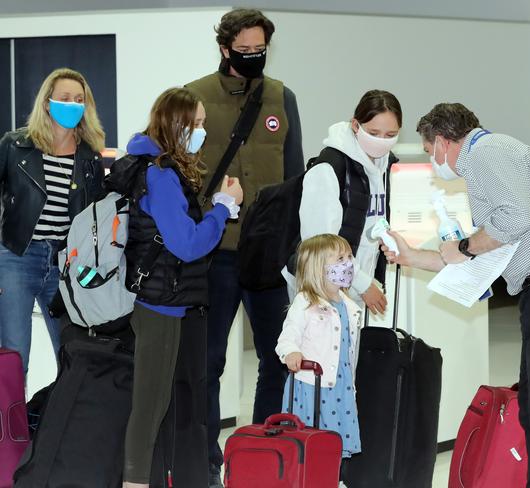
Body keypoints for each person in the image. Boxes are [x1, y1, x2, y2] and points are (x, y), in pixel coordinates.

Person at [382, 103, 530, 488]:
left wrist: (468, 246)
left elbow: (513, 219)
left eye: (426, 151)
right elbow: (487, 254)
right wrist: (413, 257)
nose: (432, 162)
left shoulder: (486, 151)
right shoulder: (488, 161)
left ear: (441, 142)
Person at [185, 9, 304, 485]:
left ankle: (261, 447)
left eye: (261, 50)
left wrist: (295, 246)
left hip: (269, 255)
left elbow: (294, 173)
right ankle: (207, 458)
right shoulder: (195, 97)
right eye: (245, 50)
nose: (253, 57)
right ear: (224, 48)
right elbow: (180, 168)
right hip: (216, 252)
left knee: (278, 356)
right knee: (209, 360)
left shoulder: (281, 97)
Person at [105, 87, 243, 488]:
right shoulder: (160, 174)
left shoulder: (150, 165)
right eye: (195, 124)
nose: (200, 131)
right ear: (174, 124)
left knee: (156, 402)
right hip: (160, 305)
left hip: (159, 299)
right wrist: (222, 209)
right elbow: (186, 244)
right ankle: (134, 482)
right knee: (151, 404)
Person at [0, 67, 105, 373]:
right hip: (17, 257)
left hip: (64, 263)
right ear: (47, 102)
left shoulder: (89, 157)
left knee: (71, 350)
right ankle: (13, 421)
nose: (72, 104)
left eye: (79, 99)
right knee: (15, 352)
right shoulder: (15, 145)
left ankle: (60, 421)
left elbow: (92, 217)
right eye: (64, 98)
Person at [292, 89, 401, 314]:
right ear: (355, 125)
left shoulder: (385, 166)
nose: (382, 142)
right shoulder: (329, 168)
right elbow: (319, 245)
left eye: (390, 135)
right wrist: (362, 284)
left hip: (360, 287)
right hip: (323, 290)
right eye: (373, 132)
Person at [276, 233, 362, 487]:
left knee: (335, 436)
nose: (348, 264)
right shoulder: (304, 303)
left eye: (349, 257)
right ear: (318, 268)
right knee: (311, 436)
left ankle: (331, 477)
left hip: (341, 385)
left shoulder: (348, 304)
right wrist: (291, 352)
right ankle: (310, 478)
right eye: (340, 259)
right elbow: (287, 337)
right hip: (310, 387)